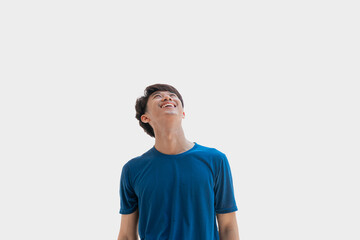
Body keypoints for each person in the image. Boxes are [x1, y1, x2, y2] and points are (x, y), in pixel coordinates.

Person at [117, 83, 240, 240]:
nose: (167, 97)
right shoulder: (132, 170)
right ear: (145, 117)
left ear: (183, 113)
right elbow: (127, 235)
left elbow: (228, 226)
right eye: (158, 97)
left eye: (172, 96)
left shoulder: (216, 160)